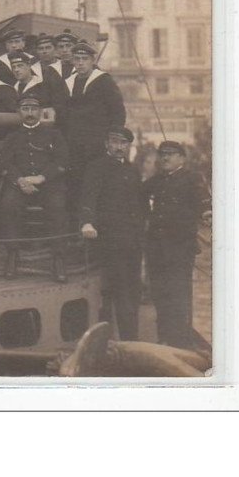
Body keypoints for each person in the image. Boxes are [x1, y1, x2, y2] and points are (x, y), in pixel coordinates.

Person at [80, 126, 146, 340]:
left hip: (133, 240)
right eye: (115, 142)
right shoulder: (97, 167)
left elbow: (140, 202)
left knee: (132, 289)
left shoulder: (132, 169)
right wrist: (87, 222)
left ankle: (129, 338)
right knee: (118, 290)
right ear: (107, 144)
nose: (119, 147)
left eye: (123, 143)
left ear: (128, 146)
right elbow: (89, 196)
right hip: (110, 238)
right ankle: (123, 340)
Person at [143, 141, 210, 348]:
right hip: (156, 249)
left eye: (171, 154)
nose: (165, 158)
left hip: (180, 249)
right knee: (160, 294)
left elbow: (206, 205)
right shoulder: (154, 182)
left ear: (182, 158)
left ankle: (181, 341)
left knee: (179, 295)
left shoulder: (192, 179)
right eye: (162, 154)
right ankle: (164, 337)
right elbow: (137, 198)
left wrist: (208, 215)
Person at [0, 95, 69, 282]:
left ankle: (58, 258)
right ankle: (12, 255)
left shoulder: (54, 134)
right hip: (19, 184)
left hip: (48, 183)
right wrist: (20, 180)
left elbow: (62, 161)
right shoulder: (11, 137)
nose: (29, 113)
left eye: (33, 109)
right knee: (8, 205)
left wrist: (41, 177)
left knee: (57, 206)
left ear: (40, 112)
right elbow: (5, 163)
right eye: (25, 109)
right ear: (19, 112)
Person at [65, 42, 126, 205]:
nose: (80, 63)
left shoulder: (104, 81)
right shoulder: (69, 83)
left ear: (92, 61)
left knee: (98, 184)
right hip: (75, 144)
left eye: (84, 59)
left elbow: (118, 111)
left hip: (98, 144)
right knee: (76, 184)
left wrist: (113, 140)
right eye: (76, 59)